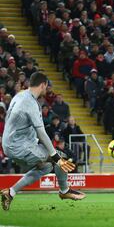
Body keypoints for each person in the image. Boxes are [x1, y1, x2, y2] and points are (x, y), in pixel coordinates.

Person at [1, 72, 85, 211]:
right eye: (47, 86)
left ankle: (10, 192)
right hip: (20, 146)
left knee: (46, 167)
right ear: (43, 85)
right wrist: (55, 156)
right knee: (60, 158)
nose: (47, 89)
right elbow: (41, 132)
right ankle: (64, 191)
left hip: (10, 144)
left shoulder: (20, 96)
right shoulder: (31, 103)